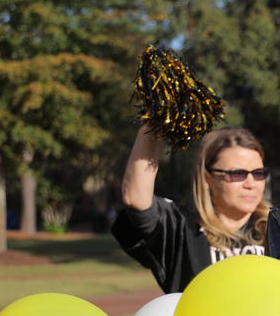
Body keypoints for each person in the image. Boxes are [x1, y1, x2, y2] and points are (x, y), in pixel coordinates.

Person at [113, 124, 271, 293]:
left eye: (258, 173)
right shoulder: (181, 228)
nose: (251, 183)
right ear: (207, 178)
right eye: (237, 174)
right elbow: (136, 199)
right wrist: (154, 122)